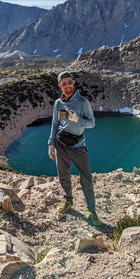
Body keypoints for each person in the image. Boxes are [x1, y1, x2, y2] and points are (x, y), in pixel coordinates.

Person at [48, 70, 101, 226]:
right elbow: (56, 123)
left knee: (86, 177)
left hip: (78, 145)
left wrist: (78, 120)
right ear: (60, 86)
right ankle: (68, 201)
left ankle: (91, 210)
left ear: (74, 83)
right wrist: (51, 143)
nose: (67, 86)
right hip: (61, 143)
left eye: (69, 83)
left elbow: (92, 123)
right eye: (63, 84)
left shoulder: (82, 102)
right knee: (63, 173)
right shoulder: (59, 103)